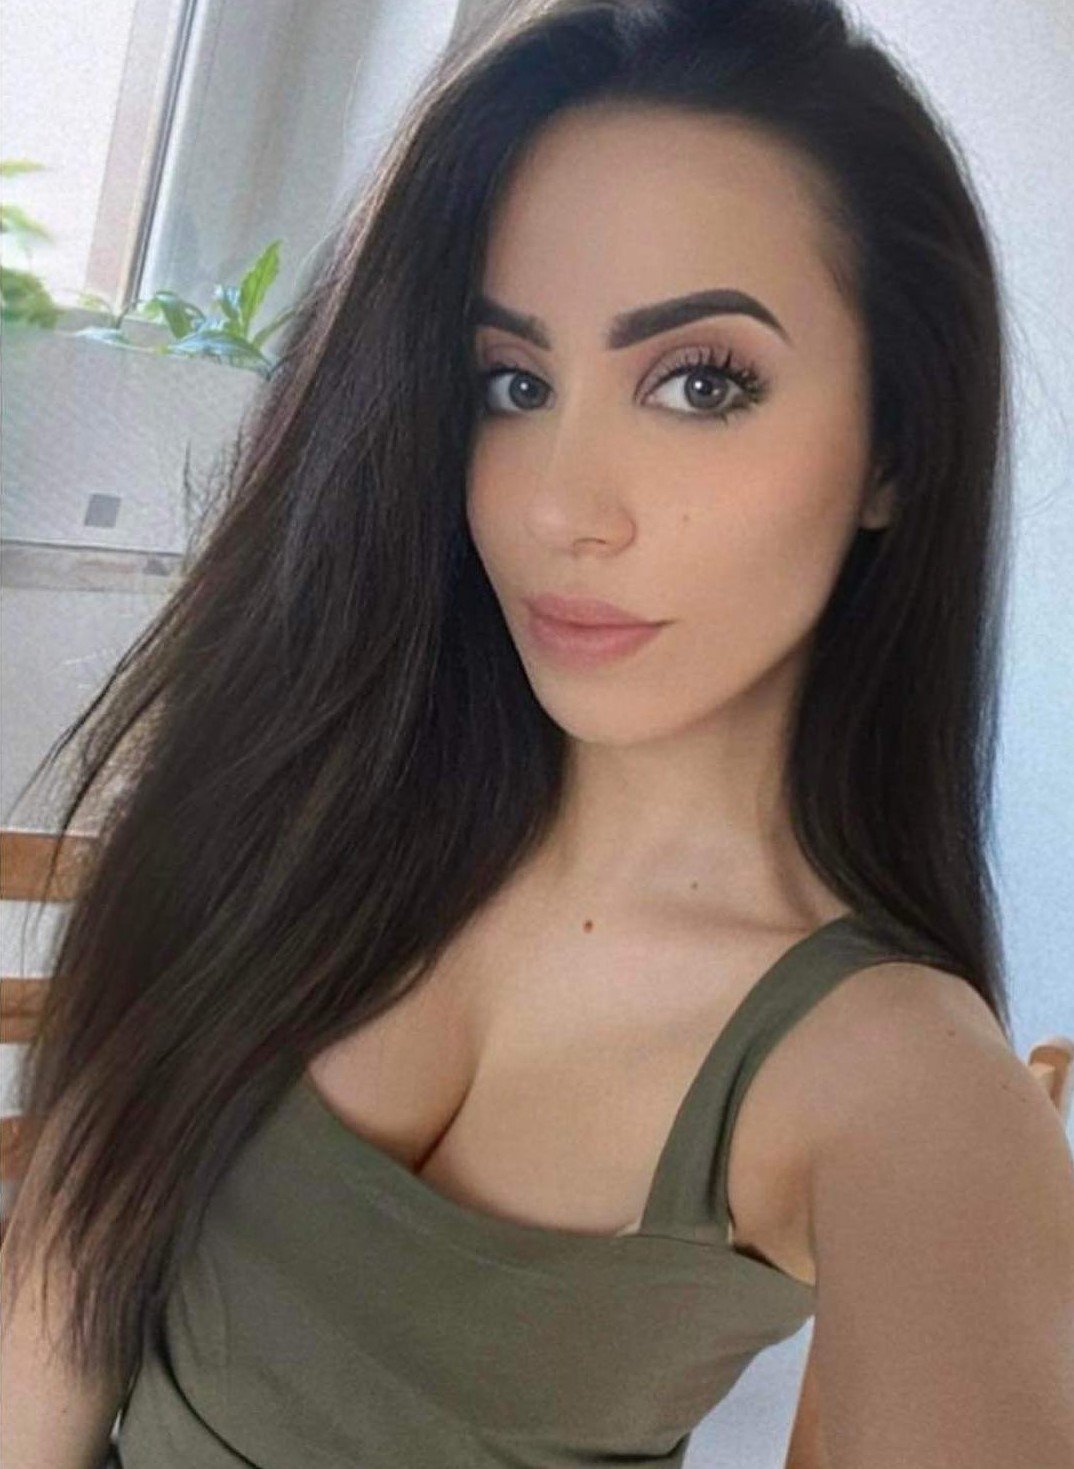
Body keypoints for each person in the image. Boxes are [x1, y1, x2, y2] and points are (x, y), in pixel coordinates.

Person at [4, 2, 1073, 1466]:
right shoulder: (307, 798)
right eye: (514, 383)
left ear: (898, 445)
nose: (560, 506)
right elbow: (57, 1302)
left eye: (699, 382)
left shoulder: (897, 1084)